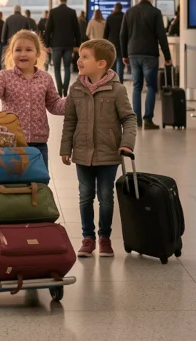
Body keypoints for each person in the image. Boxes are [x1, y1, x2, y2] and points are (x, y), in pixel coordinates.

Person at [61, 39, 136, 258]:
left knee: (106, 196)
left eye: (85, 57)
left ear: (101, 63)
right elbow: (70, 121)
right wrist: (66, 147)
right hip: (82, 153)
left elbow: (129, 119)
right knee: (85, 196)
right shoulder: (76, 89)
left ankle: (104, 238)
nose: (79, 60)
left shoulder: (117, 90)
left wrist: (126, 143)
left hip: (109, 154)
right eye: (80, 56)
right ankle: (87, 238)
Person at [0, 30, 65, 166]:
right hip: (9, 141)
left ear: (37, 54)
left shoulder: (46, 78)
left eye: (28, 50)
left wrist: (74, 100)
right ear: (12, 53)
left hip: (38, 143)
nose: (23, 54)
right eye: (18, 50)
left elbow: (54, 105)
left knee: (39, 182)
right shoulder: (3, 76)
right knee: (11, 183)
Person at [120, 0, 172, 130]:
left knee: (136, 86)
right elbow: (162, 36)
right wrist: (167, 56)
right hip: (150, 54)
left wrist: (124, 54)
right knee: (150, 86)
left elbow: (122, 34)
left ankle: (136, 119)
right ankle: (148, 119)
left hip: (133, 53)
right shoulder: (155, 12)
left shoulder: (129, 12)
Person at [44, 0, 83, 97]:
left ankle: (59, 90)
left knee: (56, 68)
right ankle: (65, 90)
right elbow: (77, 30)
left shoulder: (53, 12)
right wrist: (78, 44)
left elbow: (48, 30)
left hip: (56, 44)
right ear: (66, 0)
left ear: (59, 0)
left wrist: (47, 44)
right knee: (67, 67)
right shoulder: (72, 12)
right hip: (69, 44)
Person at [104, 3, 125, 83]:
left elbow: (106, 32)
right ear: (121, 8)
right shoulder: (124, 17)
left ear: (115, 8)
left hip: (111, 43)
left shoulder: (110, 17)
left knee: (112, 63)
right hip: (122, 43)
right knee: (120, 62)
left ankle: (112, 80)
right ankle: (120, 81)